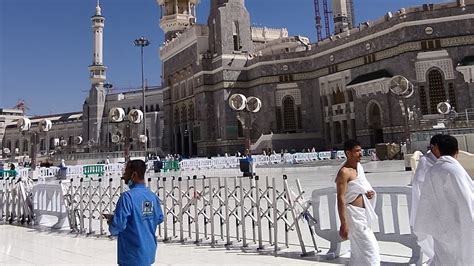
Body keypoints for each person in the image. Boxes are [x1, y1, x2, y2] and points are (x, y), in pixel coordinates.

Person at [414, 135, 473, 265]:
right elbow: (467, 198)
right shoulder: (455, 170)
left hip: (440, 227)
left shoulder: (433, 170)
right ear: (457, 151)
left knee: (443, 259)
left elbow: (426, 200)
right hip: (457, 226)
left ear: (438, 149)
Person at [107, 160, 164, 266]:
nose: (124, 175)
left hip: (132, 256)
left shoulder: (127, 198)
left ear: (134, 174)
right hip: (148, 253)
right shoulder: (152, 196)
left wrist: (112, 222)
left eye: (126, 172)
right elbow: (159, 218)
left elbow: (117, 226)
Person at [335, 139, 380, 265]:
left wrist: (368, 193)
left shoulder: (359, 168)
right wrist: (343, 223)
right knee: (371, 250)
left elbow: (360, 188)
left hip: (363, 214)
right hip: (353, 216)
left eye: (360, 150)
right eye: (357, 151)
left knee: (358, 251)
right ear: (348, 153)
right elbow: (341, 198)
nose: (360, 154)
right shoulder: (344, 172)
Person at [409, 134, 443, 261]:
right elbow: (420, 185)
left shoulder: (440, 160)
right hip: (430, 209)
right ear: (433, 147)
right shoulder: (426, 161)